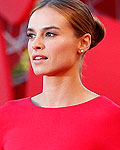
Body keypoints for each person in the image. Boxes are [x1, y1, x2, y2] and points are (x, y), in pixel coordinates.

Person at [0, 0, 120, 149]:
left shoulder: (111, 118)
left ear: (83, 42)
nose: (36, 44)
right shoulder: (7, 114)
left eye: (50, 34)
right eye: (31, 35)